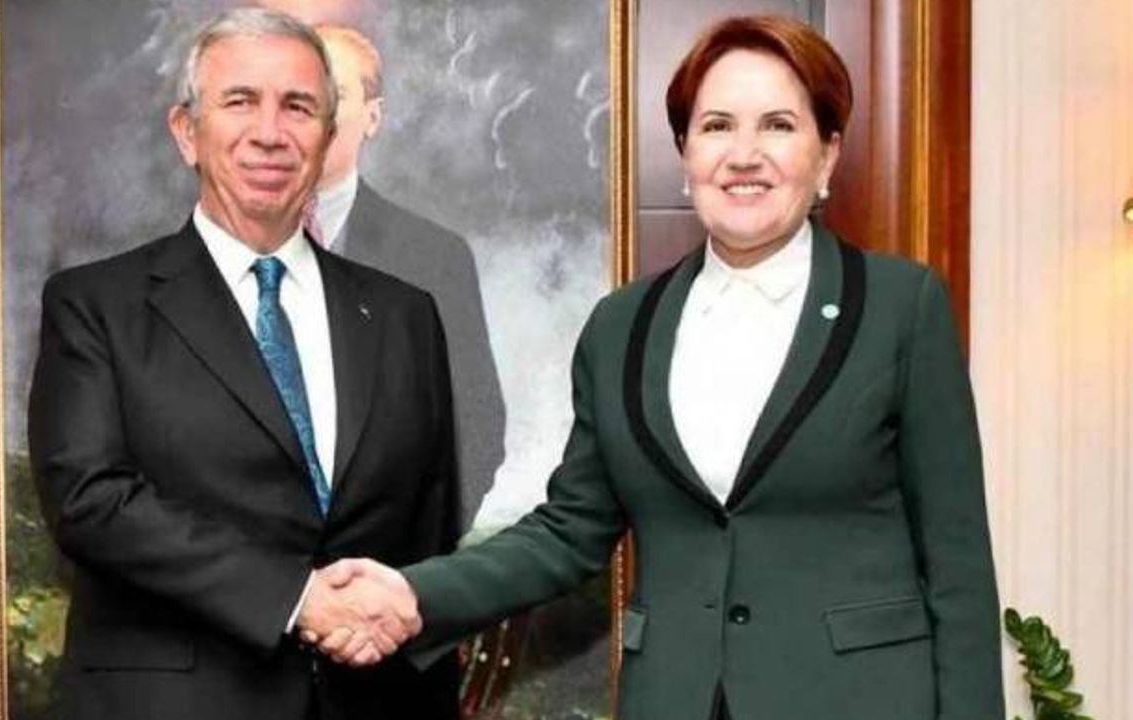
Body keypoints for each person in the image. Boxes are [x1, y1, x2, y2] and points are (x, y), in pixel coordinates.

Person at [312, 14, 1005, 720]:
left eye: (777, 125)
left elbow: (958, 567)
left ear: (826, 155)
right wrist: (412, 593)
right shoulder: (623, 327)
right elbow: (570, 530)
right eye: (717, 126)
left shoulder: (900, 308)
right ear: (684, 152)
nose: (744, 154)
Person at [27, 9, 459, 719]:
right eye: (240, 101)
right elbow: (90, 501)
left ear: (328, 137)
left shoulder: (404, 315)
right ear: (186, 132)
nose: (269, 132)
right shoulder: (95, 306)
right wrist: (297, 598)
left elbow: (428, 533)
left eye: (298, 107)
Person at [311, 24, 505, 530]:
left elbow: (477, 427)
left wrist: (414, 556)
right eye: (300, 93)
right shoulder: (221, 249)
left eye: (335, 92)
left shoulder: (434, 258)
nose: (315, 108)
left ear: (372, 116)